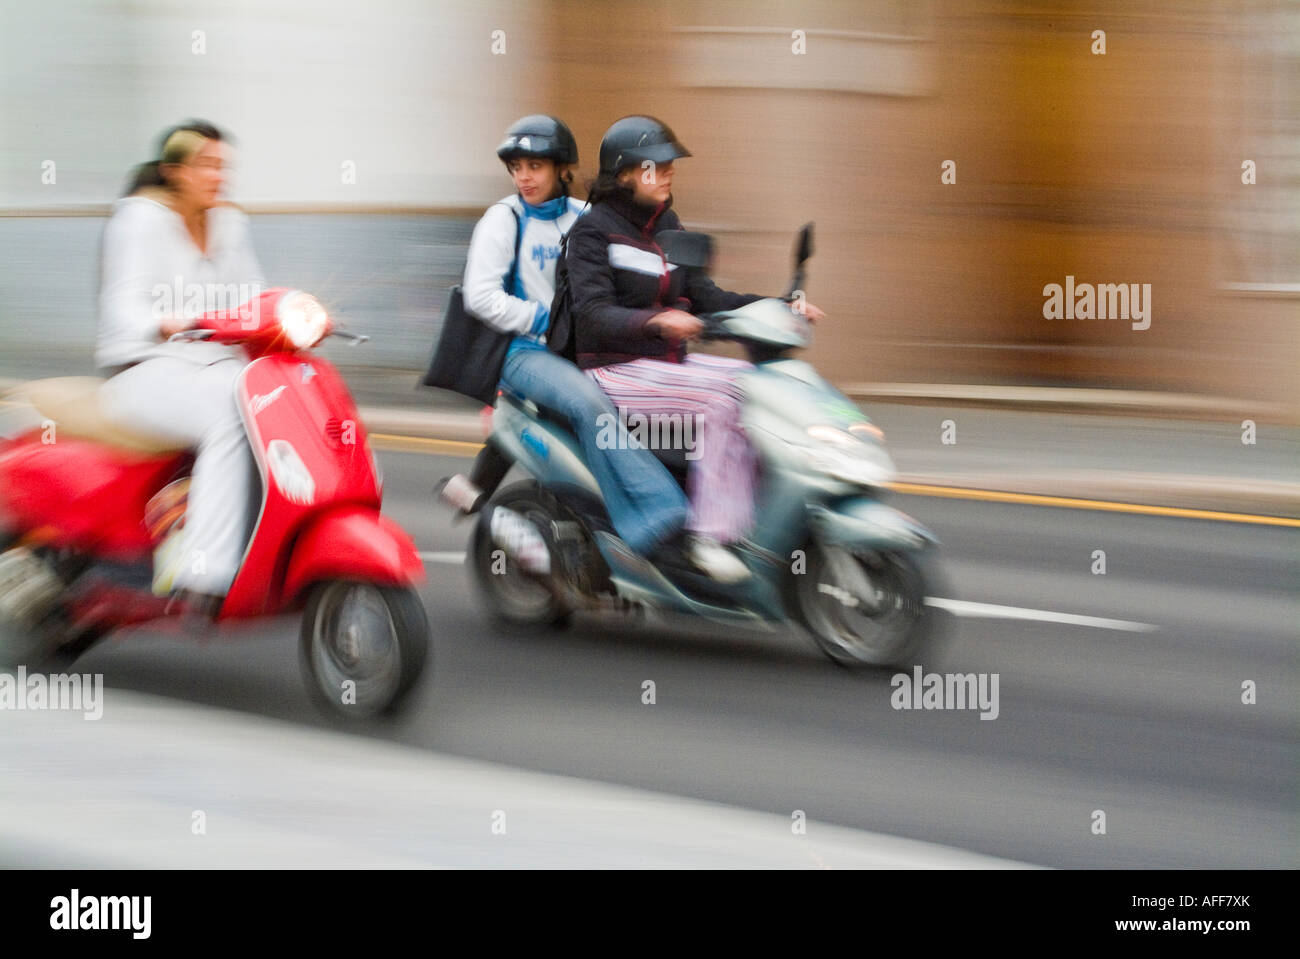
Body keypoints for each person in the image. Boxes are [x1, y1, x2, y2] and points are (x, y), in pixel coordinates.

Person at [561, 115, 823, 583]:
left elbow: (709, 299)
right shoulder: (592, 231)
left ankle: (762, 515)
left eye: (669, 166)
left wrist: (781, 306)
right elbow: (592, 314)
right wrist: (657, 320)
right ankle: (711, 537)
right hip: (616, 368)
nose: (667, 173)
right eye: (655, 166)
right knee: (726, 398)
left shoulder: (669, 227)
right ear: (624, 173)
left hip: (667, 365)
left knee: (764, 386)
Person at [461, 114, 688, 561]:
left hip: (578, 345)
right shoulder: (503, 220)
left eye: (536, 166)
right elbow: (480, 297)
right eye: (517, 167)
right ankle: (655, 516)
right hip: (525, 350)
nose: (524, 177)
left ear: (562, 168)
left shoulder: (584, 216)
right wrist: (546, 318)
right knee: (590, 405)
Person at [95, 121, 264, 618]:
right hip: (143, 371)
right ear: (175, 171)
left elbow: (254, 295)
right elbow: (121, 306)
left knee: (275, 404)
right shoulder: (139, 220)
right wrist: (164, 322)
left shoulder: (230, 225)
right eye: (207, 165)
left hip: (209, 367)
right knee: (231, 416)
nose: (219, 176)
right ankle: (202, 574)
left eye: (224, 166)